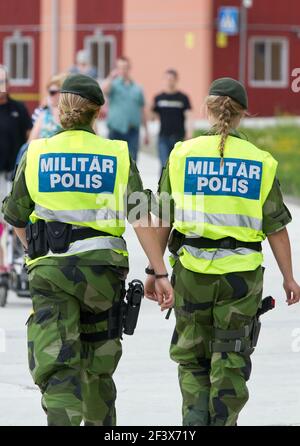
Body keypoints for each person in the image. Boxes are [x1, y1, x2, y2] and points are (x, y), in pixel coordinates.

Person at [2, 73, 173, 426]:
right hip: (102, 274)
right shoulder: (116, 153)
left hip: (51, 272)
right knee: (97, 368)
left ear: (60, 108)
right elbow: (142, 215)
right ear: (98, 112)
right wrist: (159, 271)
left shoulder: (38, 153)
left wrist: (34, 251)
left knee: (59, 367)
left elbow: (14, 215)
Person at [144, 77, 300, 426]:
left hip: (192, 274)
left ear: (207, 109)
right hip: (240, 279)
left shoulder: (182, 154)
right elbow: (275, 226)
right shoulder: (261, 161)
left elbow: (163, 217)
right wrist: (290, 278)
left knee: (192, 357)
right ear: (244, 114)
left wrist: (155, 271)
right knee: (230, 355)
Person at [0, 65, 32, 277]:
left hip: (14, 172)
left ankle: (20, 254)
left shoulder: (18, 108)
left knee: (14, 216)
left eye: (3, 81)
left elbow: (29, 136)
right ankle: (3, 261)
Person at [102, 57, 149, 162]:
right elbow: (103, 90)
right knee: (114, 161)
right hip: (115, 130)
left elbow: (142, 110)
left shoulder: (137, 88)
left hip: (133, 131)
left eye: (125, 67)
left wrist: (146, 132)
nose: (123, 70)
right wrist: (110, 77)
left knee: (132, 162)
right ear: (117, 69)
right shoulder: (113, 85)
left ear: (129, 68)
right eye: (120, 68)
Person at [152, 69, 192, 170]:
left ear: (176, 80)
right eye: (167, 79)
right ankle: (162, 186)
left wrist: (189, 133)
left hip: (178, 137)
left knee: (176, 166)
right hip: (163, 137)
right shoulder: (158, 98)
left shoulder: (183, 98)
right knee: (164, 165)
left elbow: (189, 116)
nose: (169, 81)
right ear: (164, 80)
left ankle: (174, 186)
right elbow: (153, 116)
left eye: (172, 79)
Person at [29, 73, 66, 140]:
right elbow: (30, 142)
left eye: (52, 92)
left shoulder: (71, 115)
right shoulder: (42, 113)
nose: (49, 95)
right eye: (49, 92)